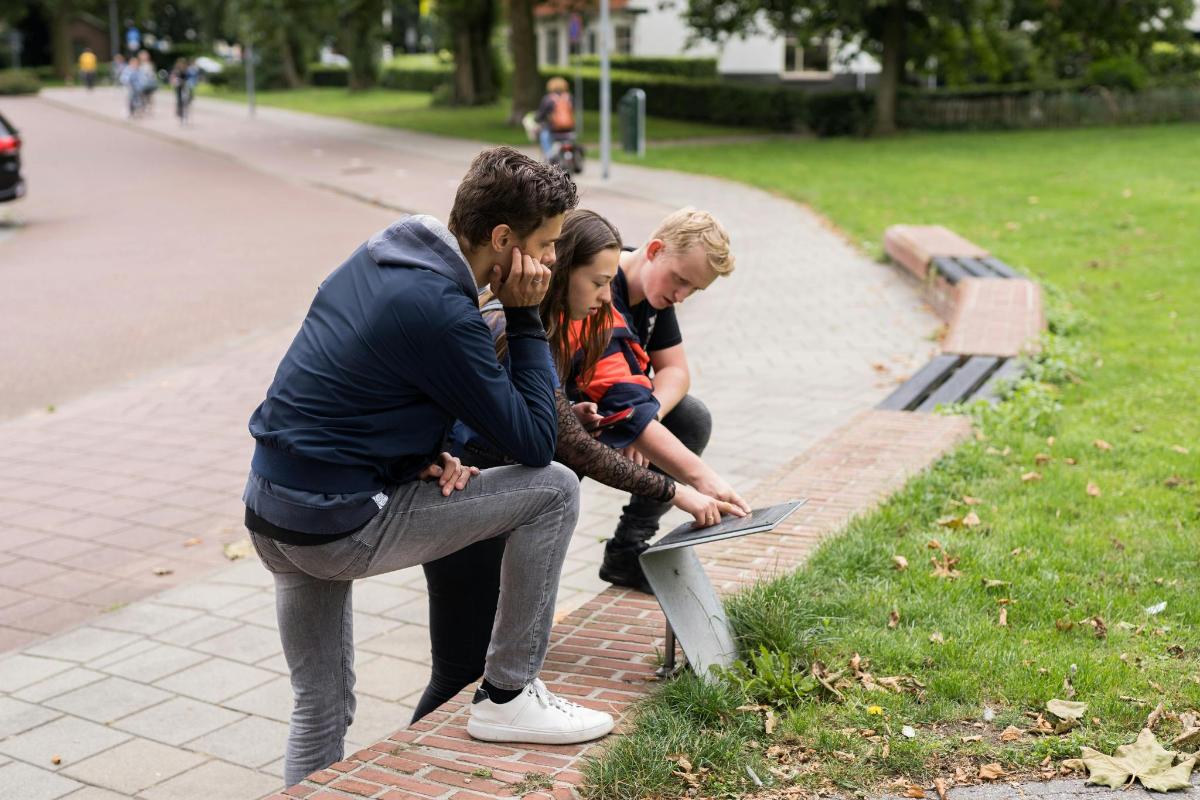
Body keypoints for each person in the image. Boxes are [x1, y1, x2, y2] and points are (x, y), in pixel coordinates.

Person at [243, 147, 614, 787]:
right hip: (338, 528)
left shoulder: (392, 248)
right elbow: (533, 443)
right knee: (552, 490)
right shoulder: (444, 309)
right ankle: (508, 696)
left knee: (322, 703)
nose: (553, 261)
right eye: (549, 245)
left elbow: (356, 383)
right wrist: (526, 317)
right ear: (503, 240)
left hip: (271, 512)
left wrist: (415, 455)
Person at [413, 209, 748, 720]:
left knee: (475, 665)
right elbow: (570, 446)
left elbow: (555, 425)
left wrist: (577, 413)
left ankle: (499, 708)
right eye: (598, 283)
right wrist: (681, 489)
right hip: (468, 497)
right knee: (459, 670)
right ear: (561, 269)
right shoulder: (514, 328)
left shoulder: (557, 325)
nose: (607, 300)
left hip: (504, 494)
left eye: (609, 283)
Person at [583, 207, 739, 593]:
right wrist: (638, 425)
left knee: (690, 418)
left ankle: (627, 550)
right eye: (680, 280)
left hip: (618, 406)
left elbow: (676, 373)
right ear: (654, 250)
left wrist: (647, 418)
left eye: (694, 290)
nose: (681, 296)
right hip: (570, 415)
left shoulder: (656, 295)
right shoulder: (600, 289)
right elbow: (618, 398)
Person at [534, 76, 575, 161]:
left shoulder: (548, 99)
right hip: (569, 129)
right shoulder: (569, 97)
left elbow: (540, 115)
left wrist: (537, 119)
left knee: (544, 135)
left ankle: (549, 155)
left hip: (554, 129)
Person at [169, 58, 196, 123]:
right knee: (179, 100)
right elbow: (173, 78)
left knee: (187, 99)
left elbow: (190, 78)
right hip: (179, 87)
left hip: (185, 87)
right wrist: (176, 81)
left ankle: (184, 111)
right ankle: (180, 111)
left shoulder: (187, 71)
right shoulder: (176, 70)